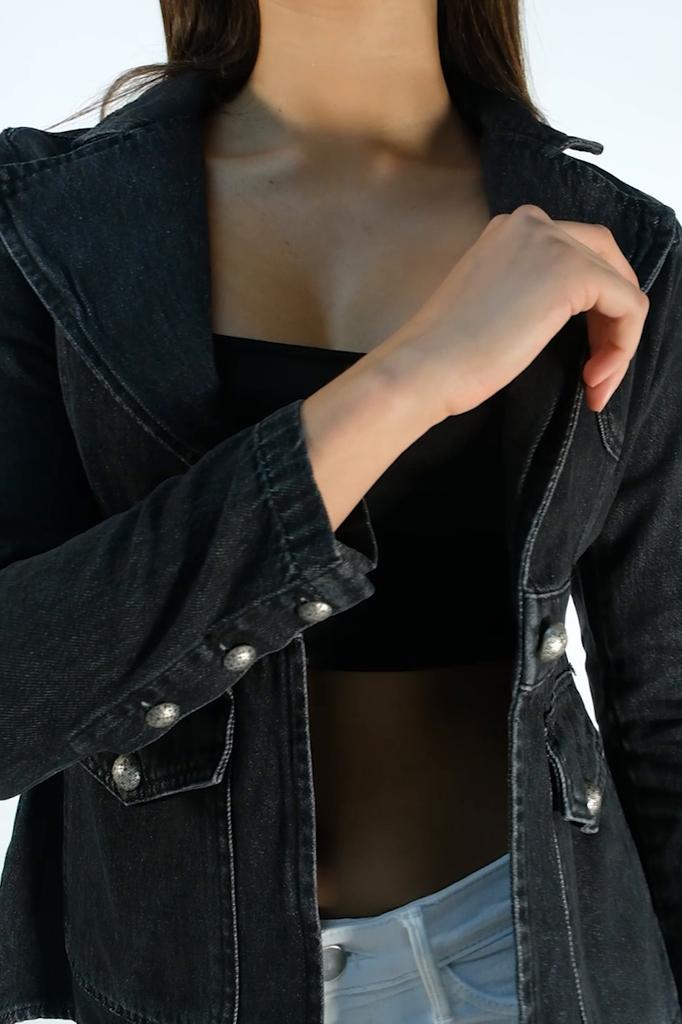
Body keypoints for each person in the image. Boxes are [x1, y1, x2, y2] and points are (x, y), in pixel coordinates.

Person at [0, 2, 681, 1023]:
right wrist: (411, 377)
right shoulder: (44, 221)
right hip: (182, 981)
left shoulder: (617, 247)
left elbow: (664, 709)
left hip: (540, 970)